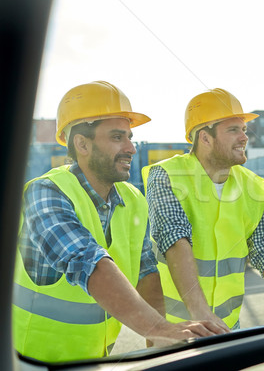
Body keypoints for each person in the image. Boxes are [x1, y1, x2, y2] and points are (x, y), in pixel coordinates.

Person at [12, 81, 227, 363]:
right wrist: (160, 328)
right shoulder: (45, 192)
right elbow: (86, 261)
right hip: (30, 362)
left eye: (129, 136)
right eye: (117, 137)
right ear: (82, 144)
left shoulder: (132, 199)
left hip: (96, 360)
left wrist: (157, 342)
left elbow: (146, 273)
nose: (131, 148)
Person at [142, 88, 264, 331]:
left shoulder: (252, 185)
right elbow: (174, 238)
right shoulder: (167, 175)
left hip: (229, 326)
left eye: (243, 129)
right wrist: (201, 313)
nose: (244, 137)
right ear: (205, 138)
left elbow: (263, 248)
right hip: (175, 328)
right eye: (233, 130)